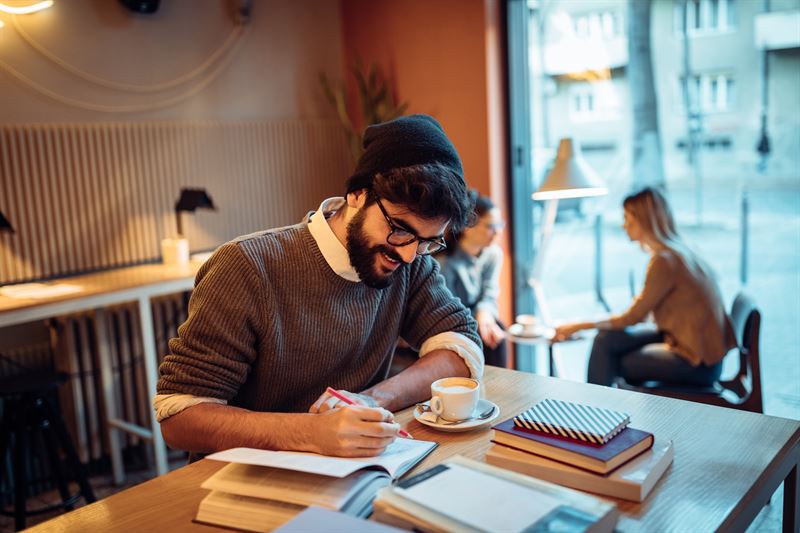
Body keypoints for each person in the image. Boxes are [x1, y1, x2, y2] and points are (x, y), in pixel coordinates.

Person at [154, 114, 483, 458]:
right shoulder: (248, 266)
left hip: (351, 471)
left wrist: (372, 399)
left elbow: (461, 346)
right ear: (358, 194)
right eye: (399, 228)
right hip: (246, 480)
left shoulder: (410, 263)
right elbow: (179, 416)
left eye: (428, 241)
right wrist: (311, 433)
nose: (408, 253)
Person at [554, 187, 736, 387]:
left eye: (628, 219)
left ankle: (596, 412)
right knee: (605, 339)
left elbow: (632, 318)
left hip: (696, 363)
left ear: (644, 220)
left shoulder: (664, 261)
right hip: (697, 351)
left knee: (615, 360)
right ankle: (599, 410)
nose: (624, 225)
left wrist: (577, 325)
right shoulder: (681, 251)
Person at [436, 192, 507, 367]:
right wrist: (479, 319)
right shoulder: (444, 263)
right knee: (486, 333)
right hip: (453, 323)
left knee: (497, 328)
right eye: (491, 226)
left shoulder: (493, 254)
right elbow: (448, 311)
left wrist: (484, 313)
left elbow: (490, 294)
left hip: (479, 318)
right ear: (467, 226)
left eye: (500, 224)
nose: (497, 232)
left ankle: (497, 388)